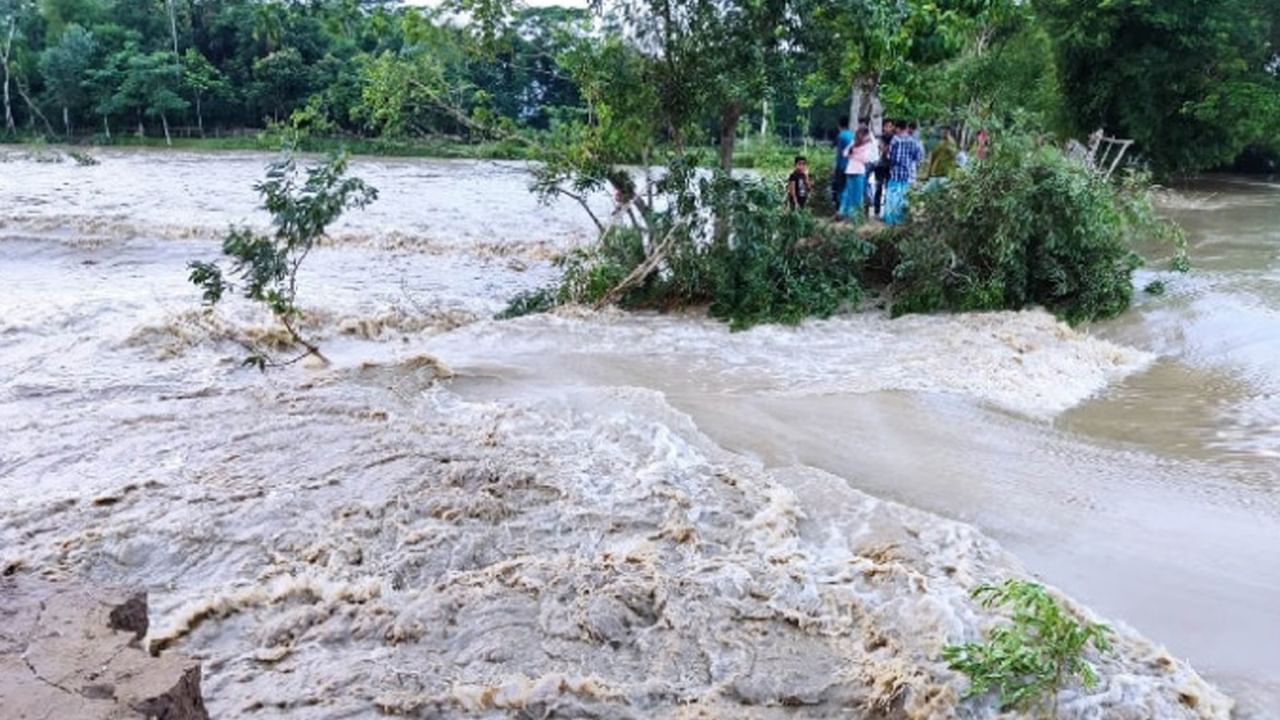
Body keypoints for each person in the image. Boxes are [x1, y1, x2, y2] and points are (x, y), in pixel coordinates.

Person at [883, 121, 924, 225]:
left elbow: (891, 157)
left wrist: (886, 153)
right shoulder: (913, 141)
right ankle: (901, 220)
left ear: (898, 128)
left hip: (895, 173)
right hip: (907, 173)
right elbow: (918, 156)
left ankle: (891, 220)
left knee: (892, 196)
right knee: (903, 197)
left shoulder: (895, 140)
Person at [840, 128, 876, 221]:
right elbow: (865, 159)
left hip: (852, 170)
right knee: (856, 196)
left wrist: (853, 155)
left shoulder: (856, 143)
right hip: (857, 171)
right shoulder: (861, 144)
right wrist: (856, 154)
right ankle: (853, 216)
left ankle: (847, 214)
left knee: (850, 194)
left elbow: (846, 154)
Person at [871, 119, 895, 218]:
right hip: (880, 166)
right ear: (883, 127)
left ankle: (887, 212)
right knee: (878, 188)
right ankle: (877, 212)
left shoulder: (895, 138)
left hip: (891, 166)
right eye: (886, 126)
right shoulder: (880, 138)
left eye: (890, 126)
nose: (888, 128)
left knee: (889, 189)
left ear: (893, 127)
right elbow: (883, 149)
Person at [831, 116, 854, 208]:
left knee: (840, 188)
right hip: (852, 166)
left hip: (842, 166)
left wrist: (835, 167)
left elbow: (840, 153)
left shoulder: (841, 136)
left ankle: (840, 208)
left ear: (839, 125)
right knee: (849, 187)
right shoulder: (852, 135)